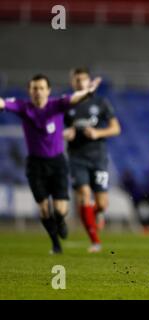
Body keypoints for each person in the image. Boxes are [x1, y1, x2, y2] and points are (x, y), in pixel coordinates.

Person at [0, 74, 101, 254]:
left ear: (48, 91)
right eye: (34, 88)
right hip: (35, 164)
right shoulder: (24, 107)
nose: (37, 92)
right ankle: (55, 243)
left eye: (41, 88)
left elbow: (75, 98)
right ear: (29, 91)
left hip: (57, 162)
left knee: (60, 209)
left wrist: (88, 92)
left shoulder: (57, 105)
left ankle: (60, 220)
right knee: (43, 207)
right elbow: (3, 103)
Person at [63, 68, 121, 253]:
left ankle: (96, 214)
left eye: (83, 79)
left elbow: (115, 128)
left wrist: (97, 132)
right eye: (77, 80)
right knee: (84, 194)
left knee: (102, 203)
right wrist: (66, 133)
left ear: (88, 82)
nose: (80, 83)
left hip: (98, 158)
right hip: (76, 157)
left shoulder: (100, 102)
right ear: (73, 83)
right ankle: (95, 241)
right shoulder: (67, 104)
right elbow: (56, 128)